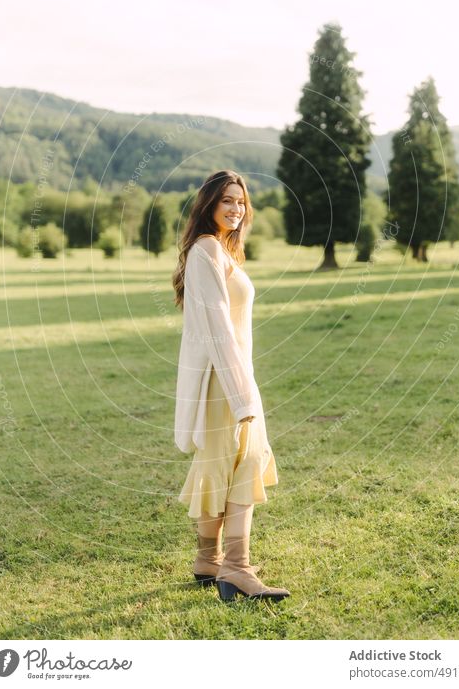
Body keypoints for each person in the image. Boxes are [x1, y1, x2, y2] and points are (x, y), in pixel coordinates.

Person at [172, 170, 290, 602]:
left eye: (241, 202)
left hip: (234, 376)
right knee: (244, 461)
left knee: (223, 465)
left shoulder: (219, 251)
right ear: (208, 204)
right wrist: (243, 396)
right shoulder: (206, 250)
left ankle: (209, 559)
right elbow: (218, 329)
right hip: (227, 382)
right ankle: (236, 568)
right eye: (227, 200)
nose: (236, 209)